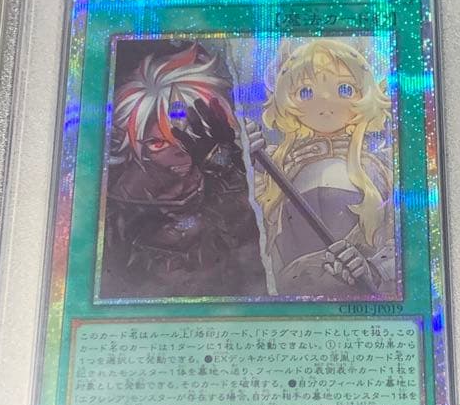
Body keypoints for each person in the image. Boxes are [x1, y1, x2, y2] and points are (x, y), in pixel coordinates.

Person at [101, 42, 267, 298]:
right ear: (134, 145)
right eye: (158, 143)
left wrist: (230, 167)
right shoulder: (124, 207)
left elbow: (250, 254)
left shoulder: (219, 171)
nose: (179, 152)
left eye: (190, 136)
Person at [248, 38, 397, 299]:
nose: (325, 103)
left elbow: (410, 240)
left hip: (359, 304)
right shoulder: (272, 167)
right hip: (291, 305)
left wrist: (374, 270)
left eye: (345, 89)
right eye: (306, 91)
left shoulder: (380, 168)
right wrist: (240, 152)